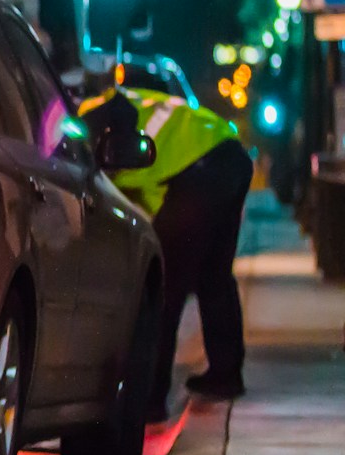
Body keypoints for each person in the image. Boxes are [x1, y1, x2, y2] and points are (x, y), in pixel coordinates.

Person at [80, 83, 253, 421]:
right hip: (229, 156)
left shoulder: (89, 117)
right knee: (213, 277)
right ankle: (226, 375)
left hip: (196, 168)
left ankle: (150, 399)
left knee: (165, 288)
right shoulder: (126, 98)